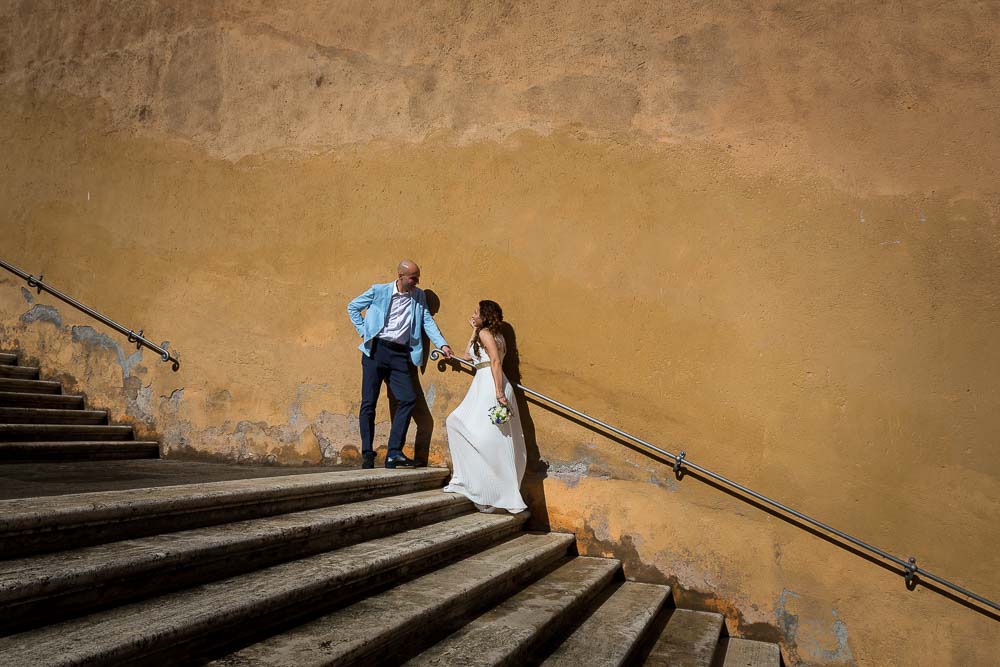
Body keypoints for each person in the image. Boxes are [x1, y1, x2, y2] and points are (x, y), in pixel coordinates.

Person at [347, 260, 452, 469]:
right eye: (413, 278)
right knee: (369, 403)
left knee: (408, 399)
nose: (416, 282)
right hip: (376, 350)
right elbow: (353, 307)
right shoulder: (379, 291)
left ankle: (394, 452)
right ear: (400, 276)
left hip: (401, 355)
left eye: (418, 278)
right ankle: (367, 453)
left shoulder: (419, 296)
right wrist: (364, 332)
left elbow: (427, 321)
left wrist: (442, 345)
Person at [443, 300, 528, 513]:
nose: (473, 315)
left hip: (490, 384)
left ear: (485, 315)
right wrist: (473, 331)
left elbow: (495, 362)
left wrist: (499, 392)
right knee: (463, 425)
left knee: (487, 437)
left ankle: (493, 489)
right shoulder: (491, 334)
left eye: (476, 312)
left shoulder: (486, 335)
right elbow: (466, 357)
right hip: (485, 383)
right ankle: (487, 485)